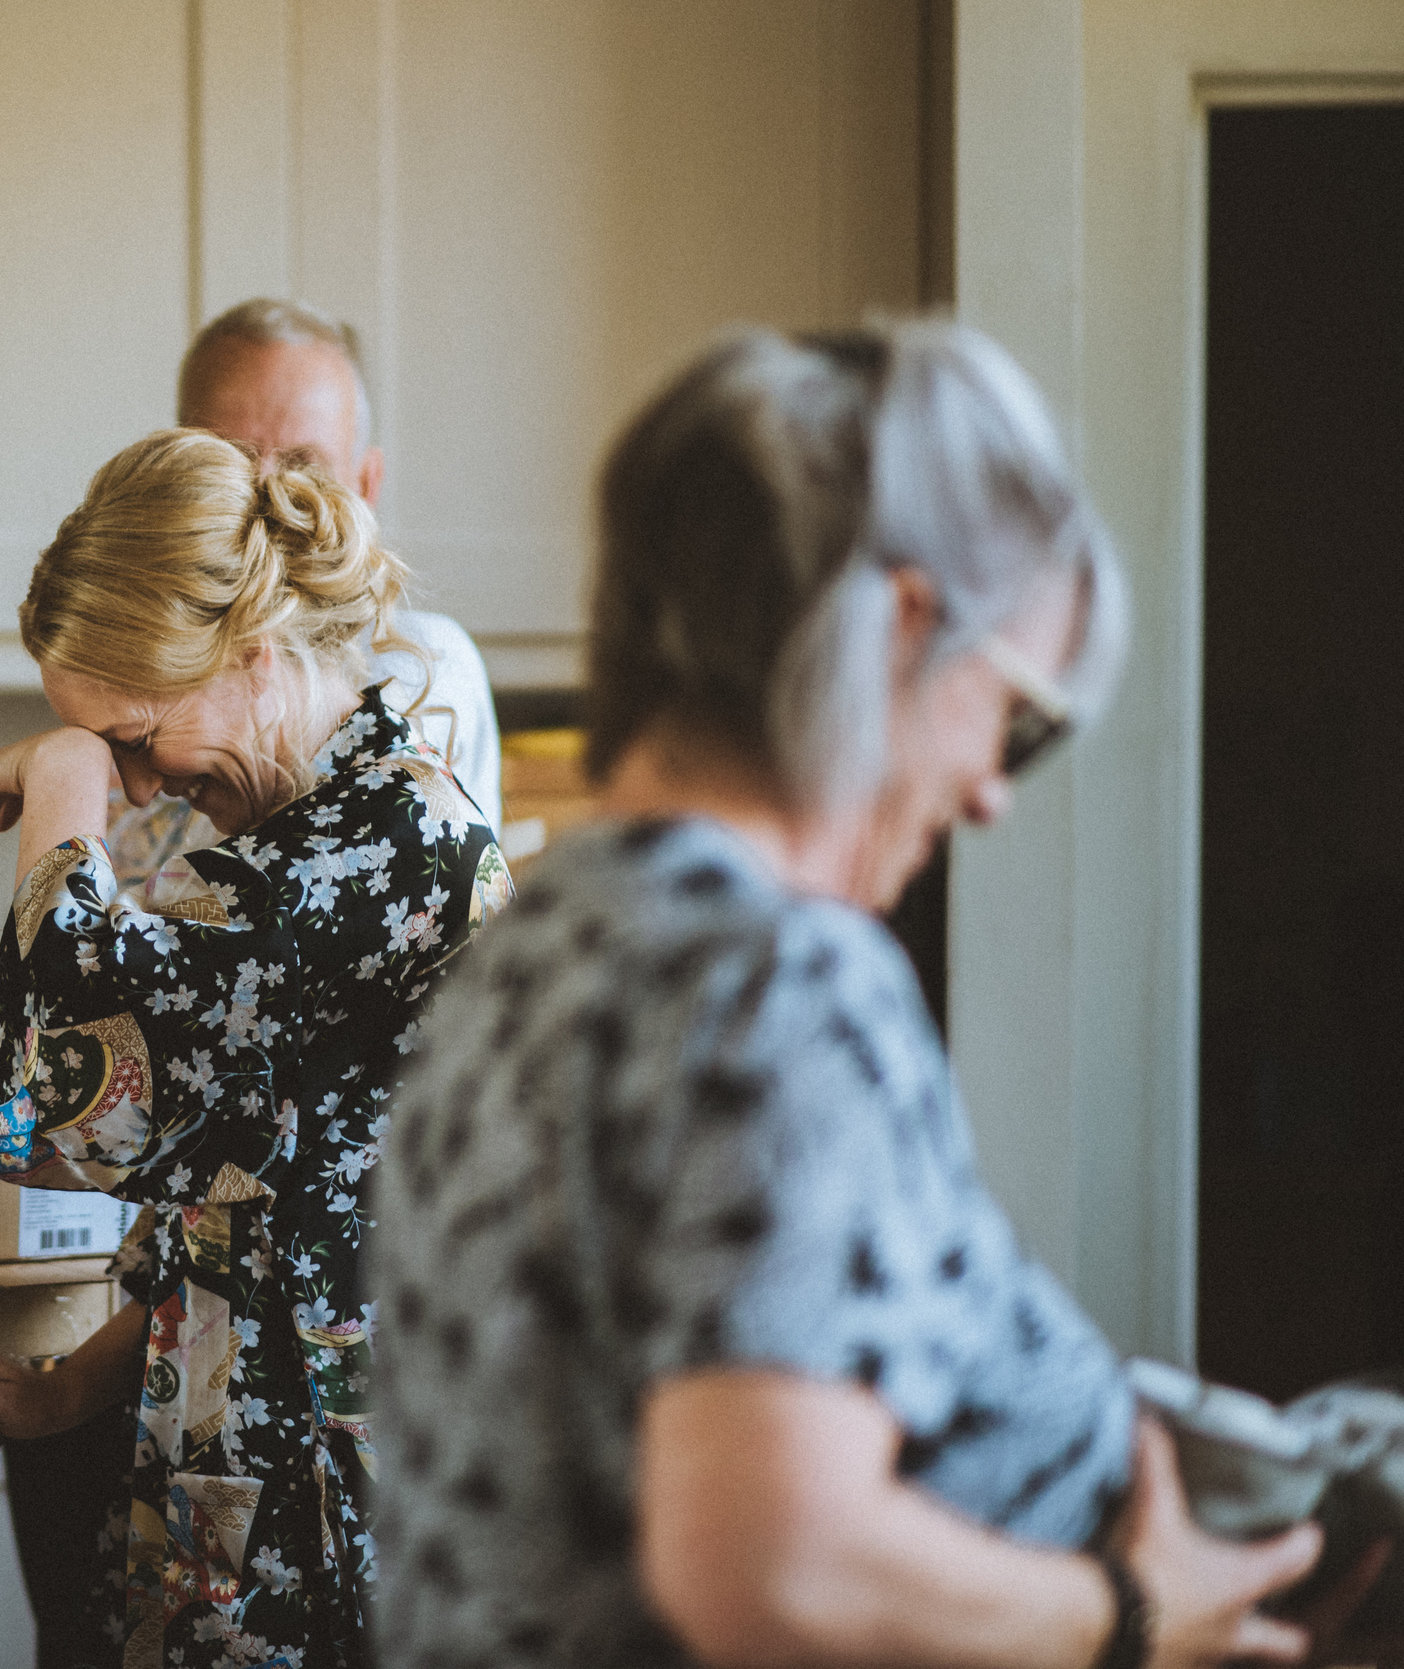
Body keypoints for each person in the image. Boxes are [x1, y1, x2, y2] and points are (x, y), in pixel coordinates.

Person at [370, 322, 1336, 1669]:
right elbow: (777, 1569)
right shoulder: (773, 970)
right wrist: (1130, 1619)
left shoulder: (527, 950)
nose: (995, 790)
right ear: (901, 633)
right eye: (1013, 710)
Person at [0, 427, 511, 1669]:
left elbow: (70, 1092)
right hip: (241, 1490)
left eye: (135, 736)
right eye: (108, 752)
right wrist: (66, 1391)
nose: (134, 787)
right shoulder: (306, 844)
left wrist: (61, 771)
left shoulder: (397, 845)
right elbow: (254, 1199)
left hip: (351, 1535)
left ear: (250, 657)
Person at [0, 295, 500, 1103]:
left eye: (300, 469)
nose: (257, 502)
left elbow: (105, 1060)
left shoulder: (399, 740)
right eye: (226, 457)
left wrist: (62, 773)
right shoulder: (203, 717)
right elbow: (126, 966)